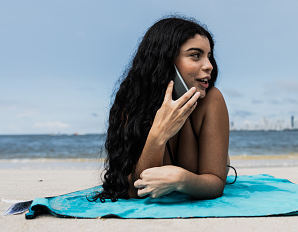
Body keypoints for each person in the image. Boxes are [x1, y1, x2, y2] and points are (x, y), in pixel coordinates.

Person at [93, 17, 231, 202]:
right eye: (196, 55)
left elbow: (215, 183)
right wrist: (158, 134)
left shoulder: (211, 100)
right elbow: (134, 190)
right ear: (166, 60)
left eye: (209, 56)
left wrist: (182, 180)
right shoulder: (133, 103)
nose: (209, 66)